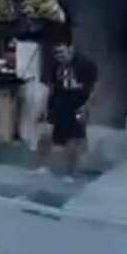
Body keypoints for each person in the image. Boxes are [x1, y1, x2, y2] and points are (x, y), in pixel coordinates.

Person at [42, 38, 98, 180]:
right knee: (46, 135)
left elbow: (95, 87)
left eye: (62, 52)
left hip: (77, 102)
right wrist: (46, 106)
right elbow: (51, 86)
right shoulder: (56, 64)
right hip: (59, 100)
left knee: (73, 140)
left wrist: (87, 106)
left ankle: (70, 174)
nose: (59, 56)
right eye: (57, 53)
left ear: (71, 49)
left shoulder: (85, 64)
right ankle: (43, 167)